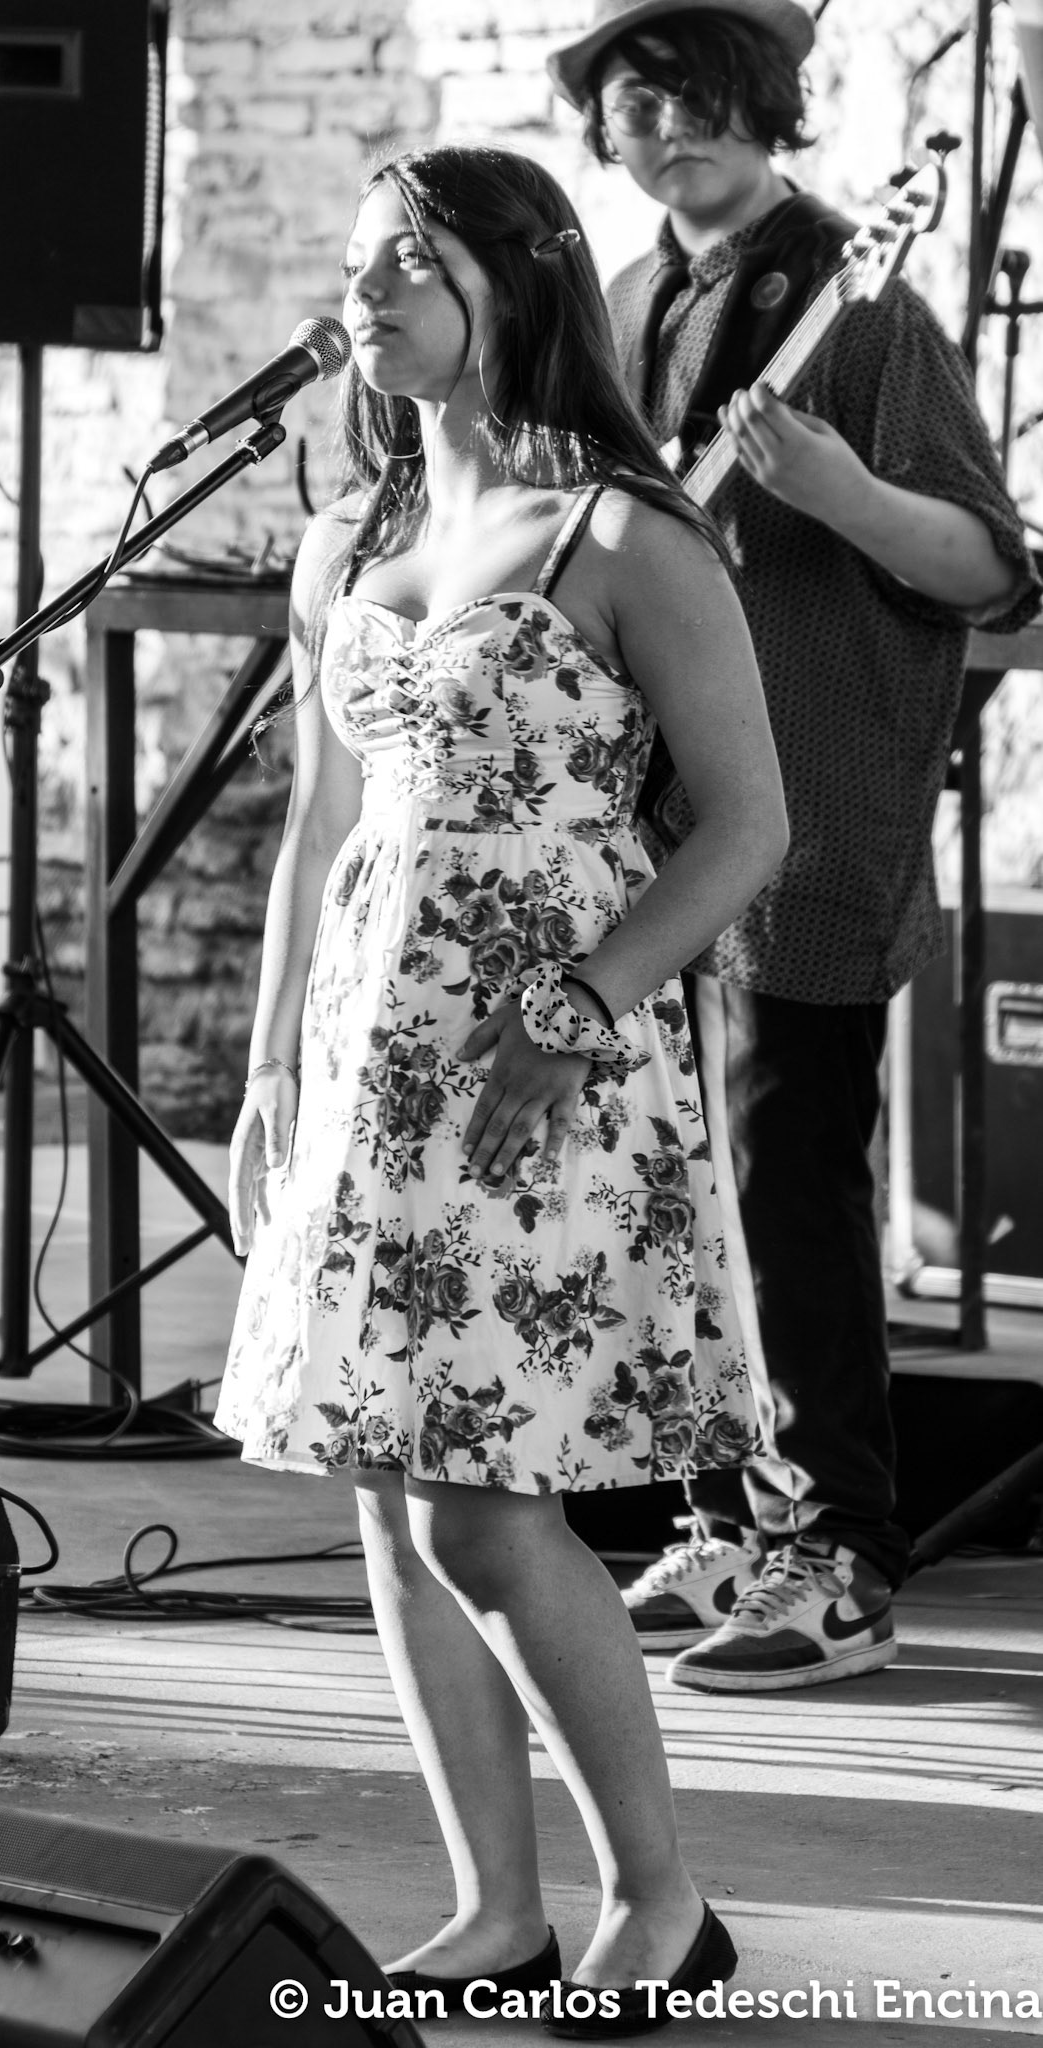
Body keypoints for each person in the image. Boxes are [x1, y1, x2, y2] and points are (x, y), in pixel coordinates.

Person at [215, 143, 788, 2036]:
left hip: (536, 1059)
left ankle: (663, 1901)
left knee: (479, 1505)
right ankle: (493, 1912)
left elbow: (748, 828)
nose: (365, 293)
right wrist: (268, 1067)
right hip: (368, 1056)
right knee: (387, 1493)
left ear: (515, 280)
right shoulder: (344, 542)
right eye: (358, 261)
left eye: (410, 262)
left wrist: (578, 1002)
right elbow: (317, 828)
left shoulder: (623, 539)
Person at [547, 0, 1040, 1694]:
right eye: (637, 105)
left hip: (803, 815)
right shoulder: (627, 303)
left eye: (700, 96)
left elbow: (989, 567)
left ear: (767, 104)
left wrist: (840, 493)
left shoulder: (864, 300)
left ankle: (841, 1555)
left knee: (786, 1184)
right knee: (673, 1195)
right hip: (648, 825)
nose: (670, 129)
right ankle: (727, 1518)